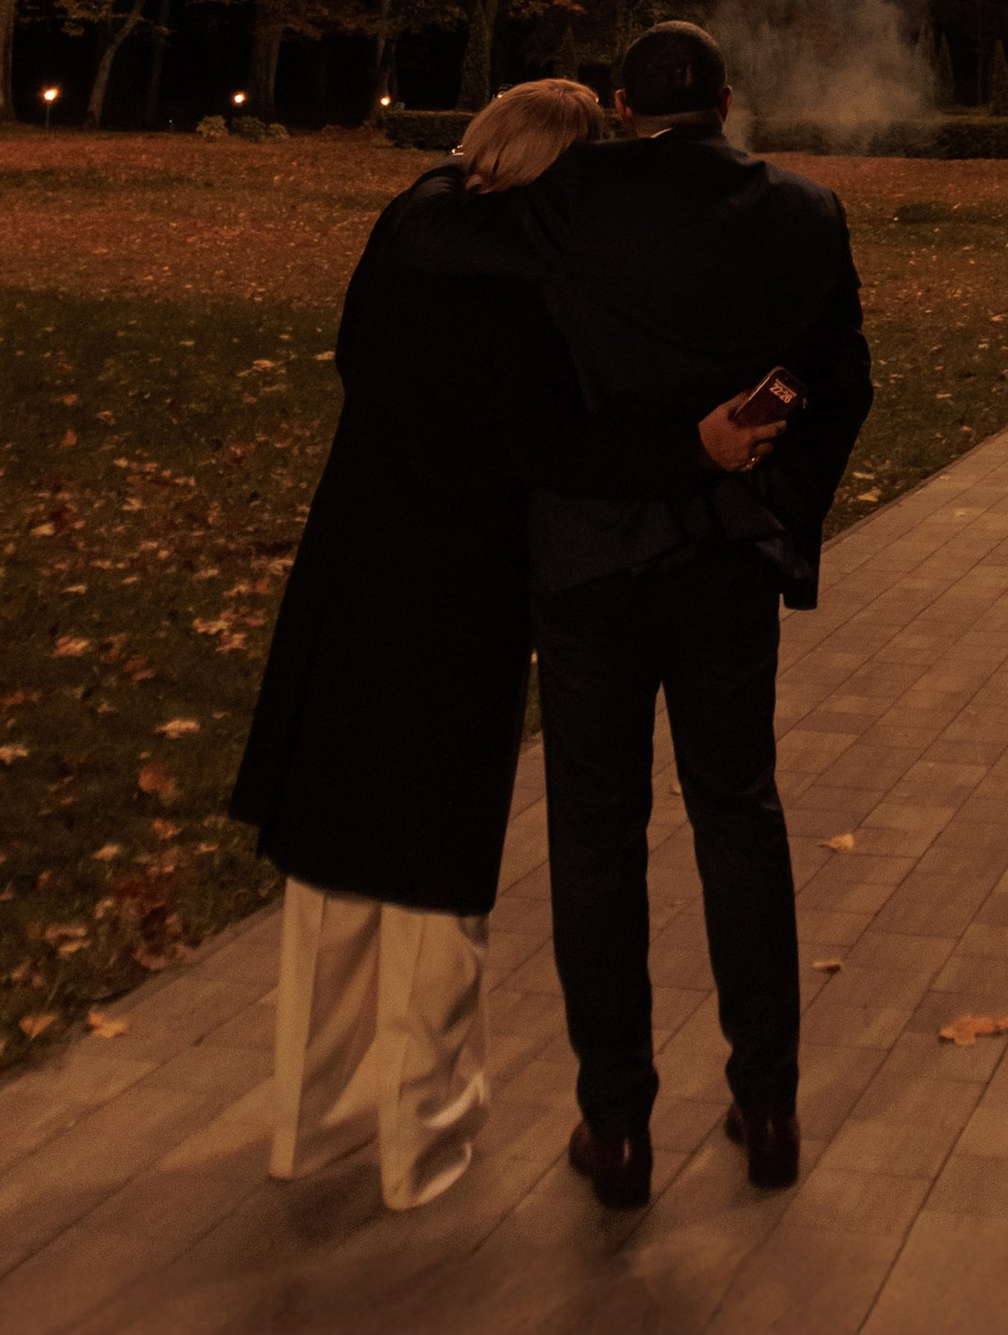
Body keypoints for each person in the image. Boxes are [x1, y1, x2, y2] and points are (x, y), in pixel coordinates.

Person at [231, 75, 774, 1211]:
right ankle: (419, 1135)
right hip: (457, 583)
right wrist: (696, 446)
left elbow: (349, 356)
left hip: (350, 561)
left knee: (334, 861)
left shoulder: (408, 220)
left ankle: (310, 1119)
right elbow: (553, 445)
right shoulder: (531, 289)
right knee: (432, 871)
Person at [400, 20, 872, 1212]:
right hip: (720, 555)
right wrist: (778, 497)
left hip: (588, 559)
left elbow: (427, 230)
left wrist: (456, 161)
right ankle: (767, 1105)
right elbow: (846, 379)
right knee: (740, 819)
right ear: (726, 99)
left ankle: (615, 1128)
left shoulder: (567, 201)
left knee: (596, 842)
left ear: (619, 104)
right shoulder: (803, 211)